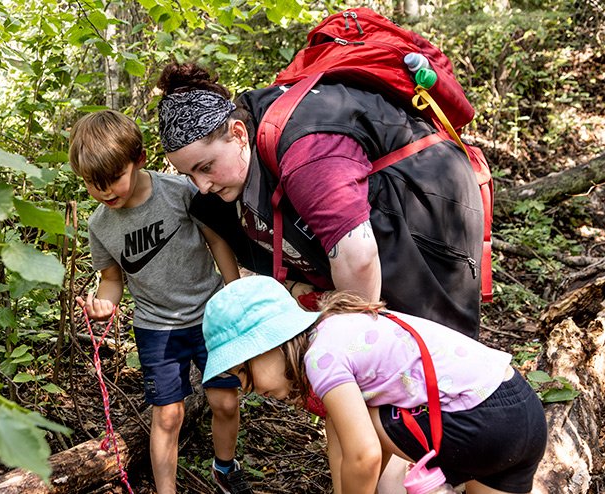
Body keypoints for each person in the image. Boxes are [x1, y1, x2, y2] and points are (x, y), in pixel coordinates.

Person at [156, 62, 484, 340]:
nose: (201, 185)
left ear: (240, 134)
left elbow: (358, 258)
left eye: (205, 167)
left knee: (432, 343)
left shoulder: (306, 151)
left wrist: (352, 348)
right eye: (189, 175)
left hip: (428, 201)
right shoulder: (254, 119)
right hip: (390, 202)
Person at [201, 275, 547, 494]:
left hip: (482, 420)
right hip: (521, 407)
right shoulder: (336, 328)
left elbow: (364, 454)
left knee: (363, 425)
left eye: (243, 370)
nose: (246, 387)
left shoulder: (320, 358)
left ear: (271, 343)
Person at [69, 110, 252, 494]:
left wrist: (235, 294)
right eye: (92, 184)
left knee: (225, 402)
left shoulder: (179, 192)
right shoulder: (100, 225)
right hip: (157, 327)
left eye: (113, 178)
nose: (105, 192)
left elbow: (217, 241)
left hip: (210, 314)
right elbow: (112, 280)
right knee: (168, 415)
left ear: (137, 160)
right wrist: (104, 305)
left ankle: (224, 469)